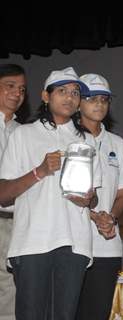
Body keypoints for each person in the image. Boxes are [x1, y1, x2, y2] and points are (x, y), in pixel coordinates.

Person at [0, 67, 101, 320]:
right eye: (62, 91)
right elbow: (2, 195)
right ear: (45, 96)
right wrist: (40, 171)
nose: (70, 97)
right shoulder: (22, 135)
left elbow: (94, 197)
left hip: (75, 242)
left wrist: (88, 199)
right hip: (32, 241)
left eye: (76, 93)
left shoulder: (87, 140)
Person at [76, 73, 123, 320]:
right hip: (72, 243)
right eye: (90, 98)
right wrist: (93, 216)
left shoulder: (117, 143)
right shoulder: (66, 138)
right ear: (78, 102)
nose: (98, 104)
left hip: (108, 246)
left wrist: (109, 217)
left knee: (98, 314)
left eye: (104, 99)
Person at [0, 64, 26, 320]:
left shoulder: (24, 133)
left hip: (14, 220)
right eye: (10, 86)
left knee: (9, 285)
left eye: (21, 89)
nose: (17, 93)